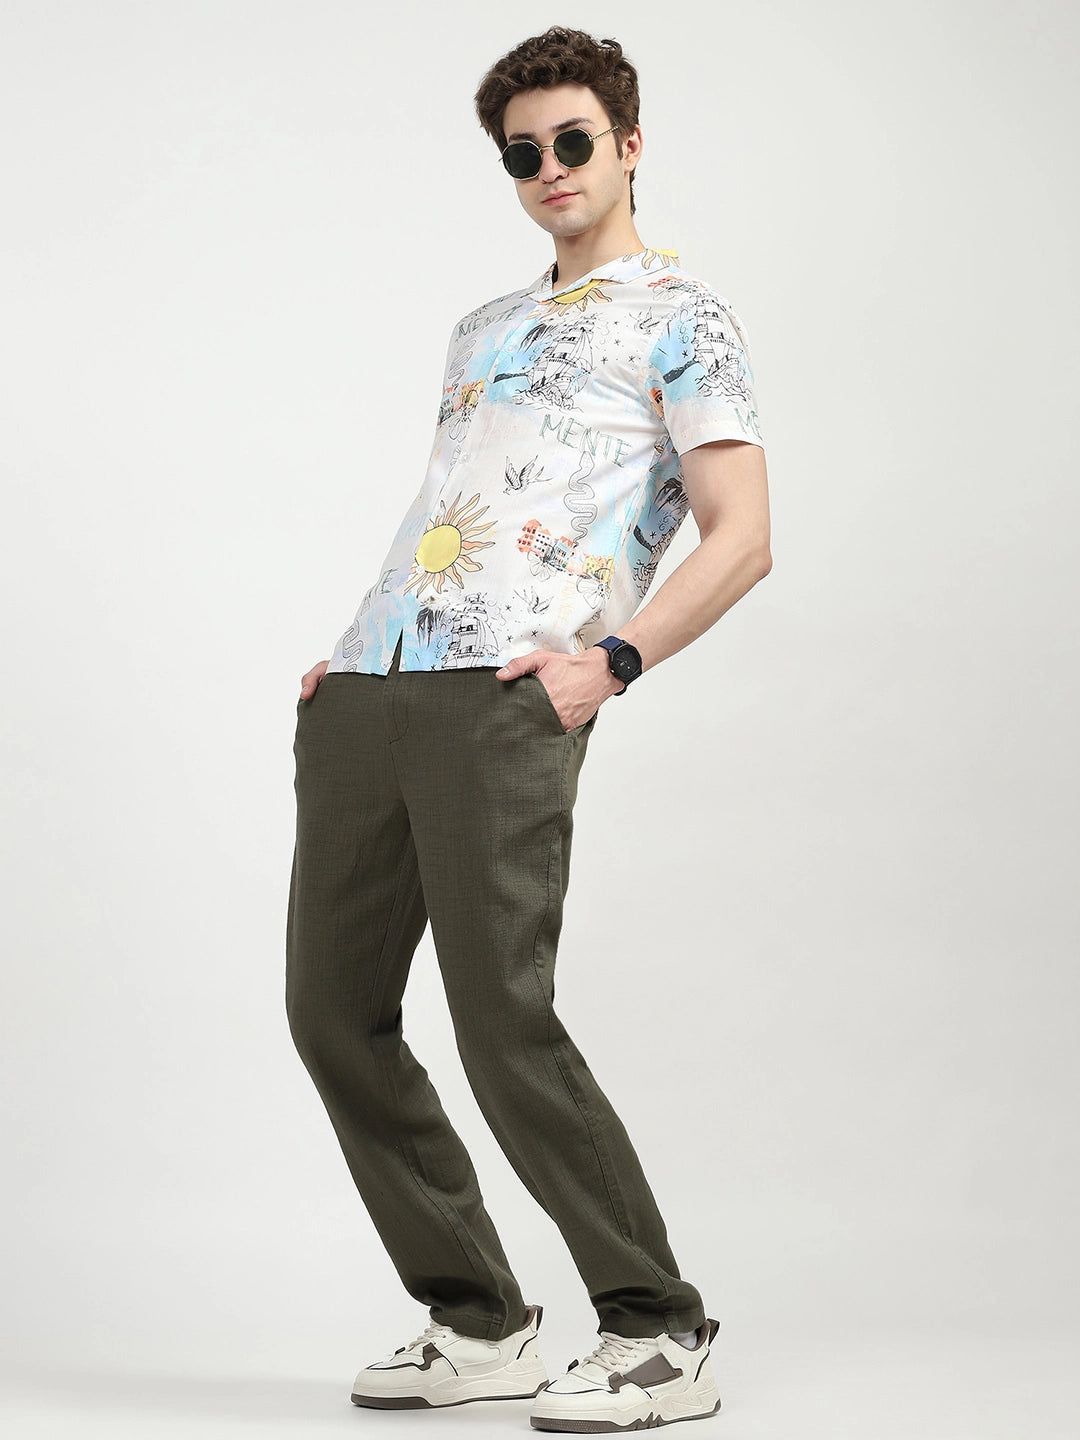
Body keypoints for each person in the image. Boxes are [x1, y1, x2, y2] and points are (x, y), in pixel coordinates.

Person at [285, 24, 770, 1432]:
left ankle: (658, 1332)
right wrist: (350, 651)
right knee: (330, 1012)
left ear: (629, 145)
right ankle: (478, 1319)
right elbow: (461, 508)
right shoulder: (481, 327)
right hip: (372, 688)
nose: (549, 169)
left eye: (573, 141)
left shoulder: (685, 316)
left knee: (503, 1016)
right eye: (522, 153)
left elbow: (742, 536)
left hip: (509, 696)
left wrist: (611, 661)